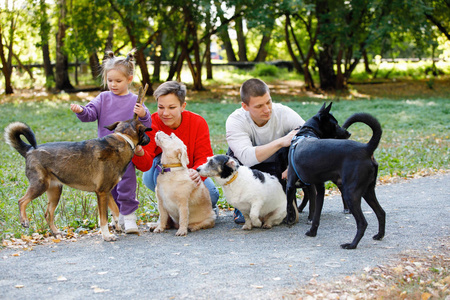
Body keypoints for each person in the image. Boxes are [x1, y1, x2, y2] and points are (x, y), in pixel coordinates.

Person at [70, 49, 152, 234]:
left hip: (125, 153)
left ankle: (129, 218)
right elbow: (90, 114)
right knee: (109, 185)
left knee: (127, 183)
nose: (113, 84)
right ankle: (118, 217)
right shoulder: (103, 98)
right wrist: (81, 111)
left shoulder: (134, 101)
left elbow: (146, 125)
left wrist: (144, 114)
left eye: (118, 81)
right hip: (104, 153)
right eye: (110, 80)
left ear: (129, 79)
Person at [226, 78, 305, 223]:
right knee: (233, 157)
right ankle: (242, 205)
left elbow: (309, 136)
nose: (267, 109)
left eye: (269, 102)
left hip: (279, 167)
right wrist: (281, 141)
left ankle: (285, 199)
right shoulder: (235, 121)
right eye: (259, 106)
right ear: (245, 106)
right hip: (249, 170)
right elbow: (246, 158)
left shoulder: (283, 113)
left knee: (285, 218)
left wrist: (293, 166)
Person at [133, 81, 220, 213]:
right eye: (161, 107)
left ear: (182, 106)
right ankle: (167, 210)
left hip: (188, 171)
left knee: (212, 196)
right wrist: (138, 151)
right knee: (161, 164)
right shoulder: (152, 122)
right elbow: (145, 163)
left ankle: (199, 211)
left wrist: (197, 171)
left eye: (172, 107)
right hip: (159, 172)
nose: (165, 113)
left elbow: (204, 156)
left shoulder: (198, 123)